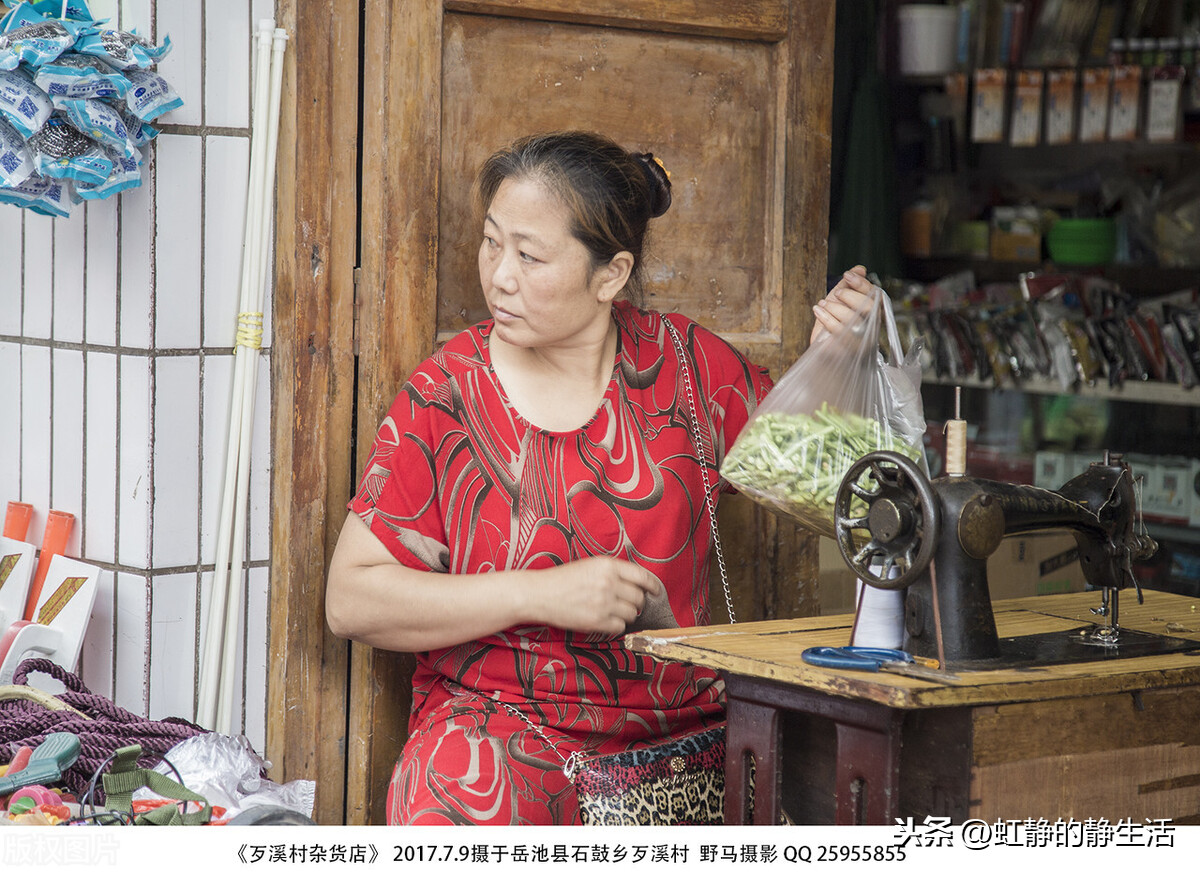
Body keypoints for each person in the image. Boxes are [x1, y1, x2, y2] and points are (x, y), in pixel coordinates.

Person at [326, 130, 877, 825]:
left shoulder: (687, 368)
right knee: (459, 791)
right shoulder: (448, 394)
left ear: (610, 275)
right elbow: (351, 599)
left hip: (681, 740)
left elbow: (841, 496)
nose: (498, 274)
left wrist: (839, 363)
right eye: (493, 243)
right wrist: (540, 593)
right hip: (503, 734)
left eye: (529, 255)